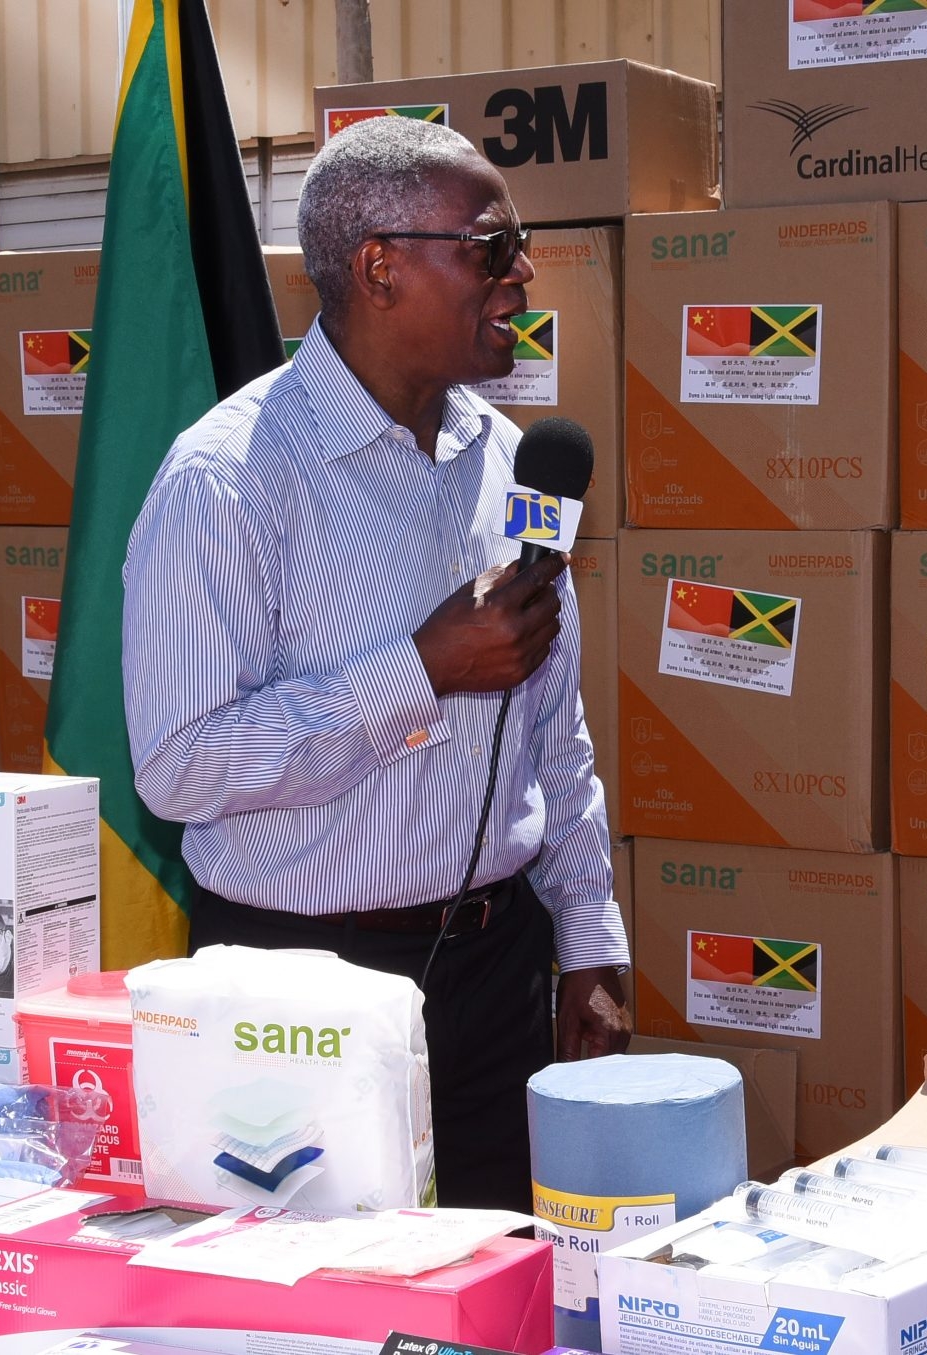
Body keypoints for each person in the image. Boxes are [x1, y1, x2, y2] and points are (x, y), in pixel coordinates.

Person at [122, 115, 630, 1212]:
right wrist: (421, 668)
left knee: (491, 1299)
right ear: (379, 267)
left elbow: (556, 727)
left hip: (498, 980)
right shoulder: (224, 481)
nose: (524, 274)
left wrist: (588, 936)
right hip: (298, 997)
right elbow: (179, 766)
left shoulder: (517, 462)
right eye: (491, 248)